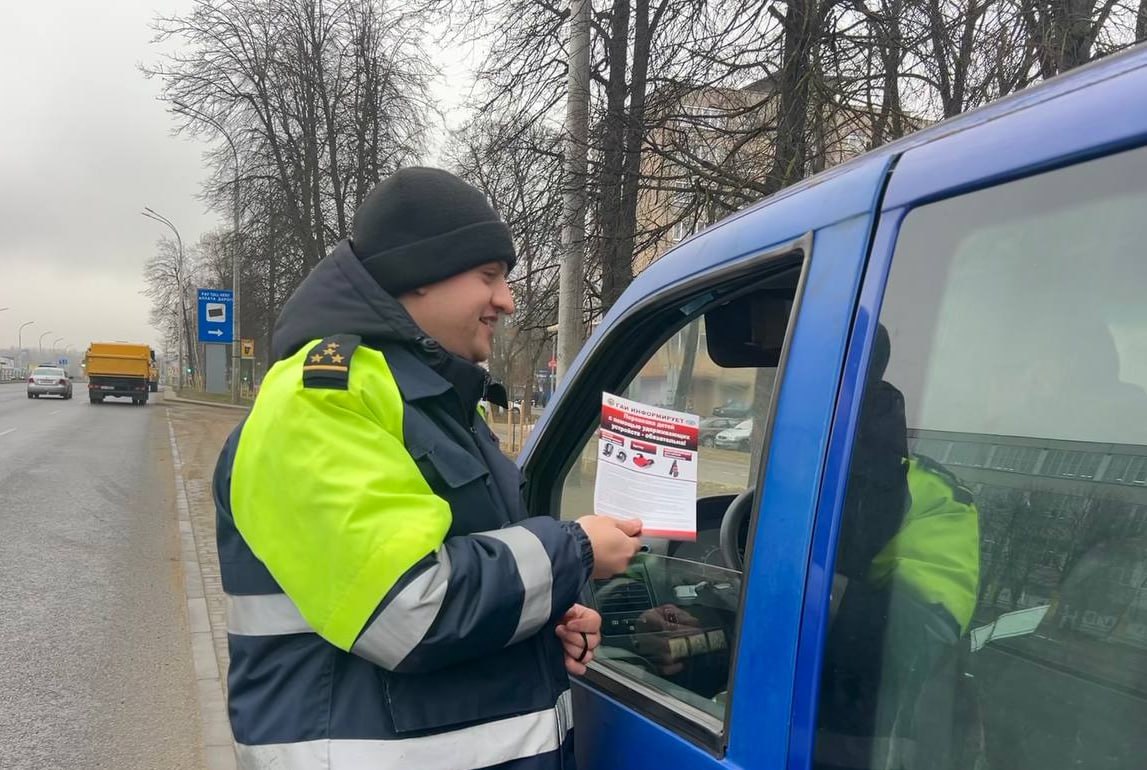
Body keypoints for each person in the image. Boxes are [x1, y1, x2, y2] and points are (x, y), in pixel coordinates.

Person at [212, 167, 643, 770]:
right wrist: (574, 550)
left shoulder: (436, 403)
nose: (507, 300)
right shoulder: (321, 400)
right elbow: (408, 607)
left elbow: (467, 566)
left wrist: (549, 613)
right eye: (488, 277)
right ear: (417, 277)